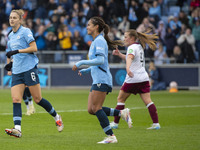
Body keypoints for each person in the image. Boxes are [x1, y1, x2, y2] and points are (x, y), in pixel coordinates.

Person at [72, 16, 132, 144]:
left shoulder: (99, 41)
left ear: (96, 27)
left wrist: (81, 63)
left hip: (102, 79)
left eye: (89, 25)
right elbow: (98, 64)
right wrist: (87, 70)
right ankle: (121, 113)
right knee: (91, 109)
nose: (87, 27)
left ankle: (111, 136)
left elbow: (101, 60)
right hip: (98, 79)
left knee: (97, 108)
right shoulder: (95, 41)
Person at [4, 9, 63, 138]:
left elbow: (34, 48)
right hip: (17, 71)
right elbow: (9, 52)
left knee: (37, 99)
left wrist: (17, 52)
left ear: (20, 20)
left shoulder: (25, 32)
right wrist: (9, 65)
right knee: (16, 99)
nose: (11, 20)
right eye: (10, 17)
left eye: (14, 17)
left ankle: (56, 117)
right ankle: (17, 130)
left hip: (29, 68)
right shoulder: (10, 36)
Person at [110, 29, 161, 130]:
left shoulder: (131, 47)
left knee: (120, 99)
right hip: (144, 78)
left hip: (133, 78)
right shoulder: (138, 46)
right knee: (148, 101)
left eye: (125, 37)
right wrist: (120, 54)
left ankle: (115, 123)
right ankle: (156, 124)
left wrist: (127, 68)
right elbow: (131, 58)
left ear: (132, 38)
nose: (124, 39)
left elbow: (129, 58)